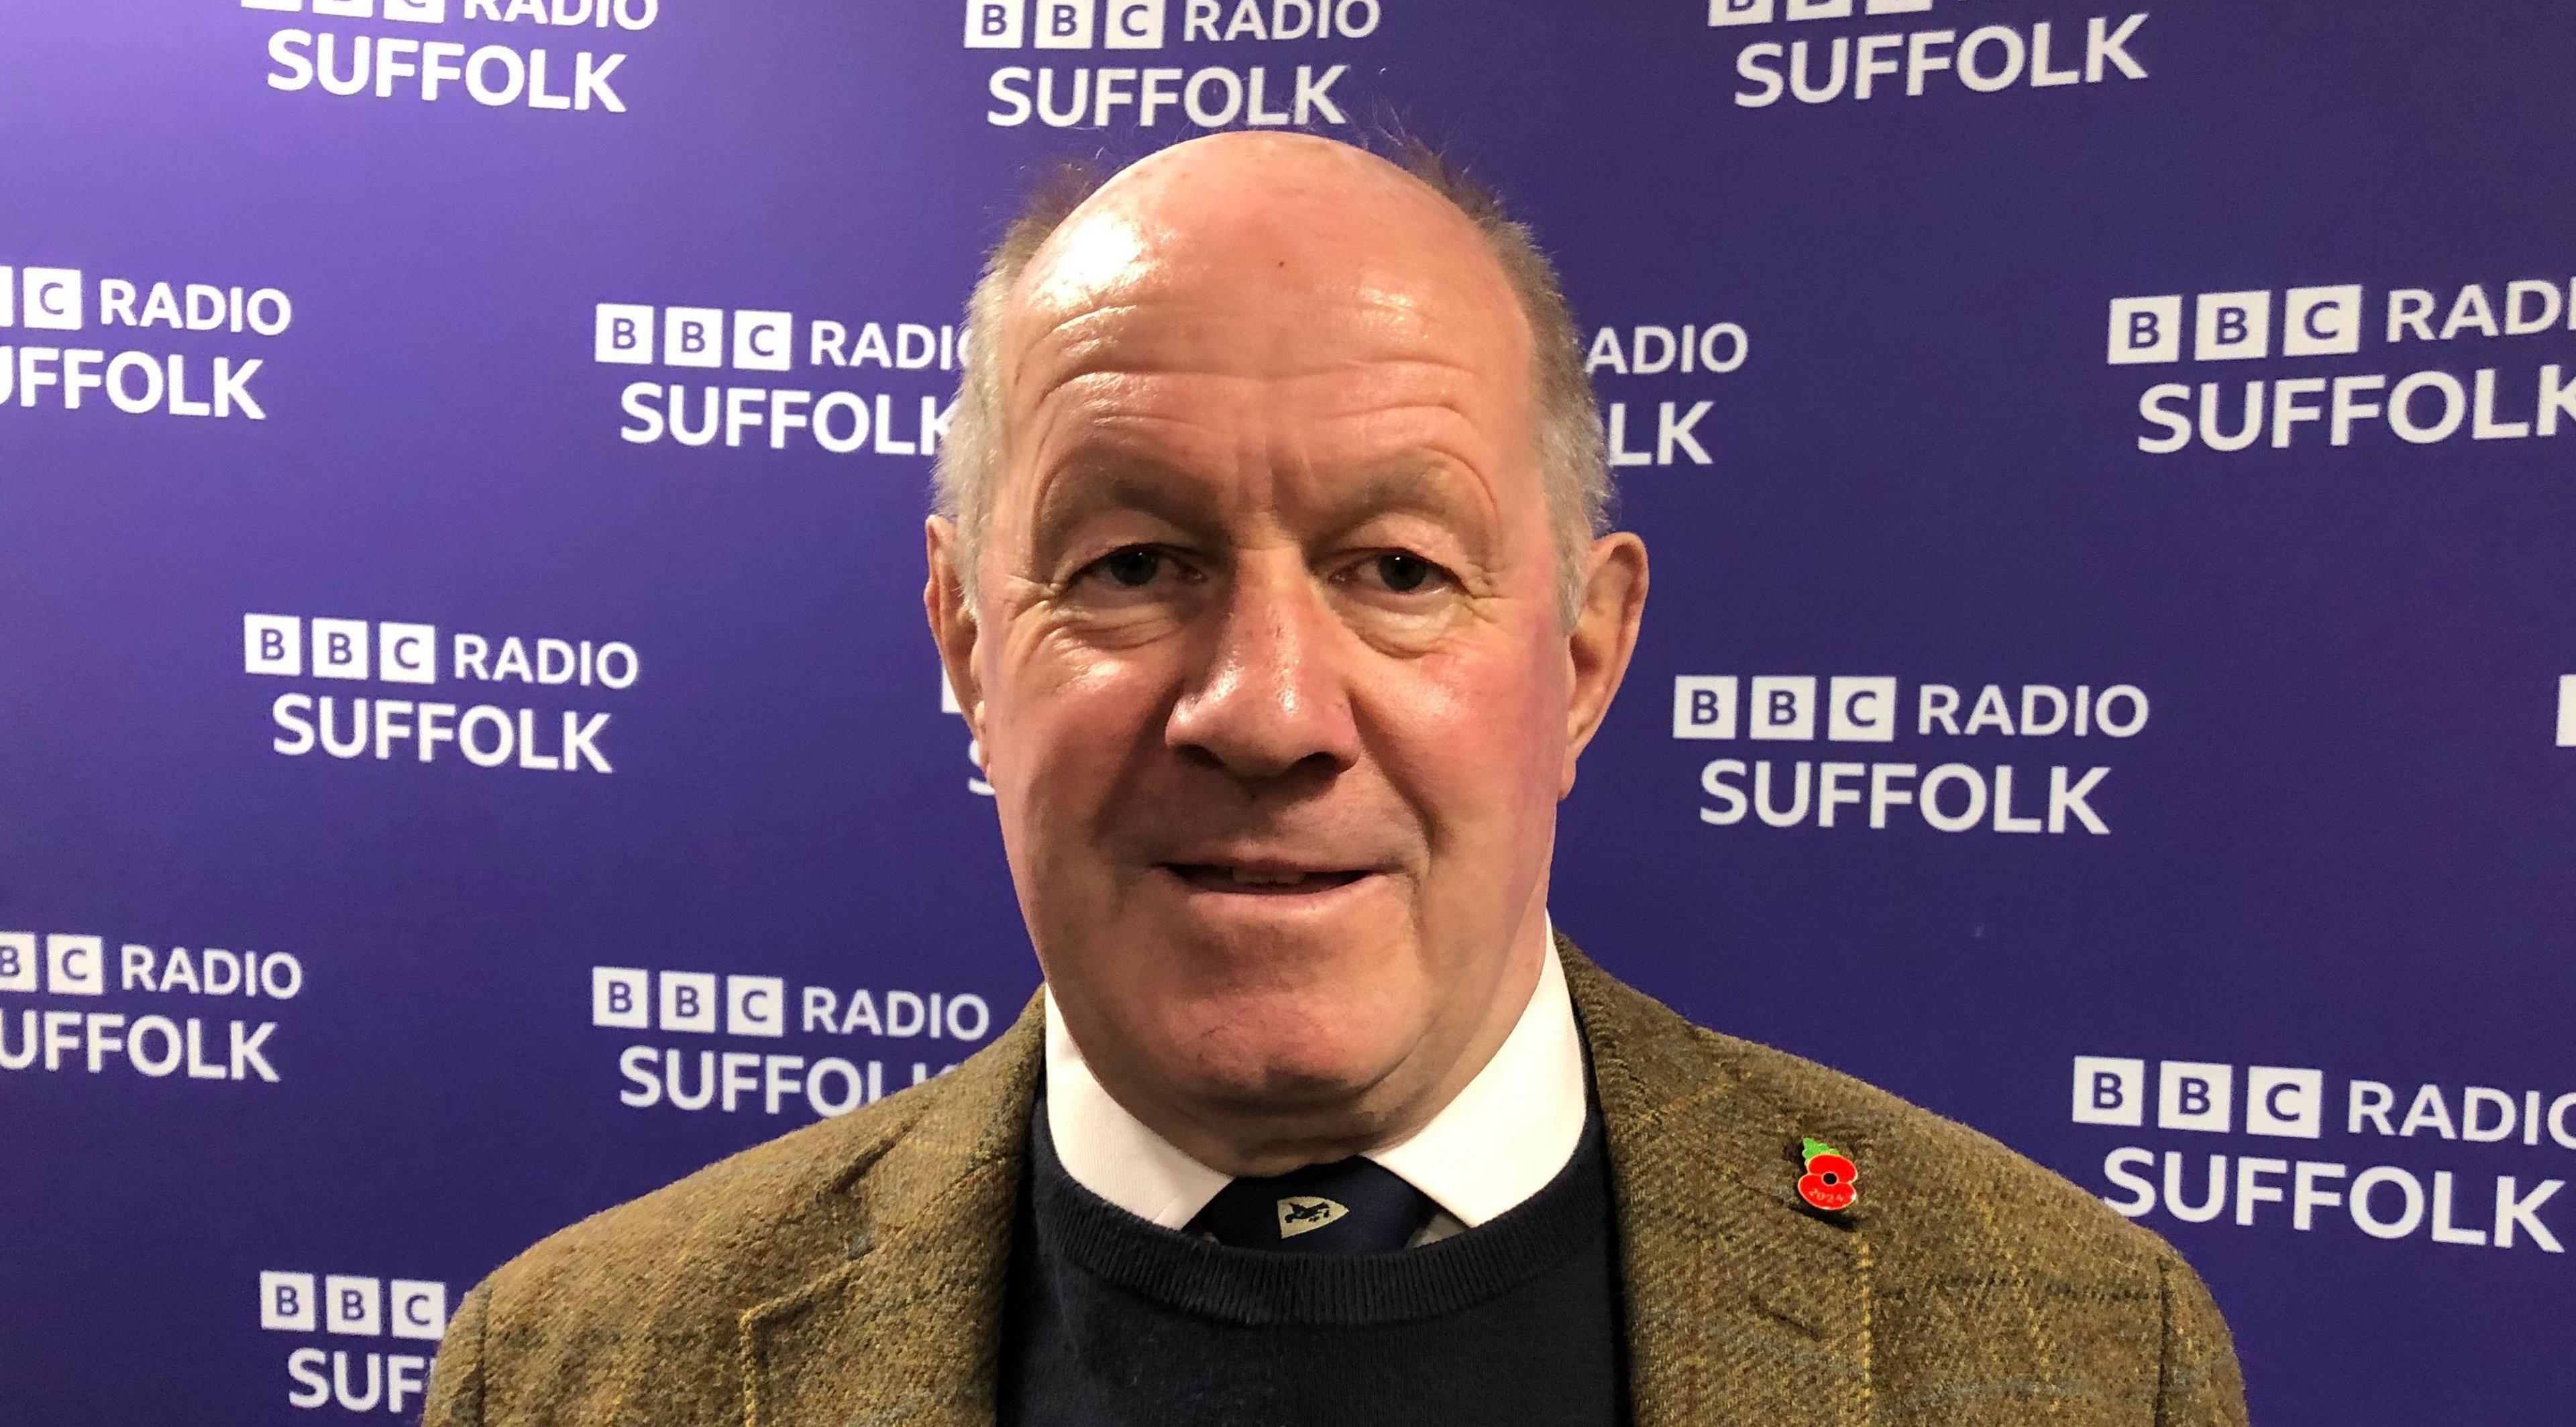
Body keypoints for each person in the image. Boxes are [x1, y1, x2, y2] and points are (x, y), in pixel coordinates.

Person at [422, 131, 2247, 1427]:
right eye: (1133, 563)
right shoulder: (574, 1372)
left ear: (1586, 658)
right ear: (971, 640)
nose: (1271, 709)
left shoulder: (2084, 1356)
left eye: (1397, 569)